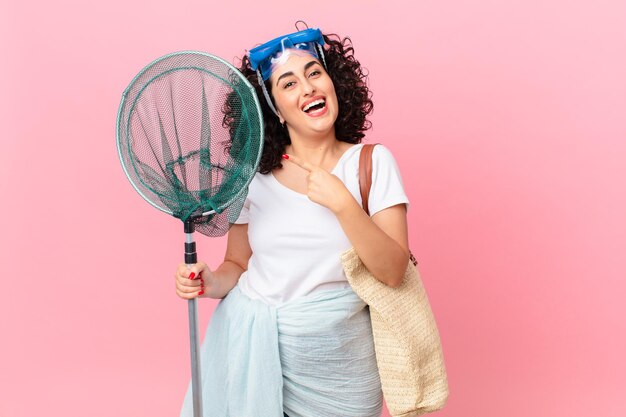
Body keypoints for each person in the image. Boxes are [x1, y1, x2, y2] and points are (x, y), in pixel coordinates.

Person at [175, 25, 410, 417]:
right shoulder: (254, 179)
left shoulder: (372, 163)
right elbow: (237, 263)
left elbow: (392, 272)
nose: (308, 87)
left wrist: (344, 204)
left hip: (341, 374)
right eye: (289, 83)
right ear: (274, 110)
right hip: (251, 354)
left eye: (315, 73)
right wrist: (211, 282)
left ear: (335, 84)